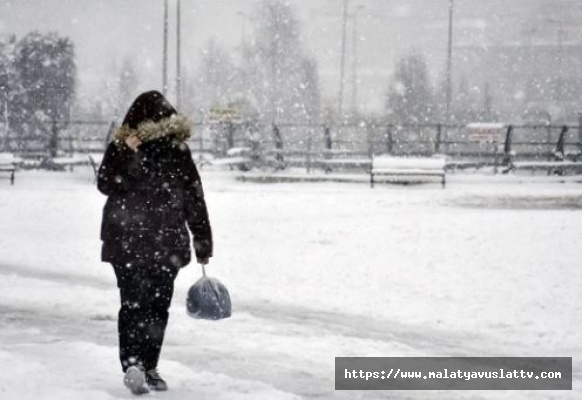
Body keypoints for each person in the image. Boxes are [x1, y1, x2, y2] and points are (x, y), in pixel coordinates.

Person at [97, 90, 213, 395]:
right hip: (153, 242)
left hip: (136, 241)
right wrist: (201, 238)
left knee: (137, 305)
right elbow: (106, 184)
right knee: (154, 307)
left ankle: (139, 364)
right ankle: (143, 366)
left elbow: (191, 195)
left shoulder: (174, 150)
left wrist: (202, 239)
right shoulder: (133, 148)